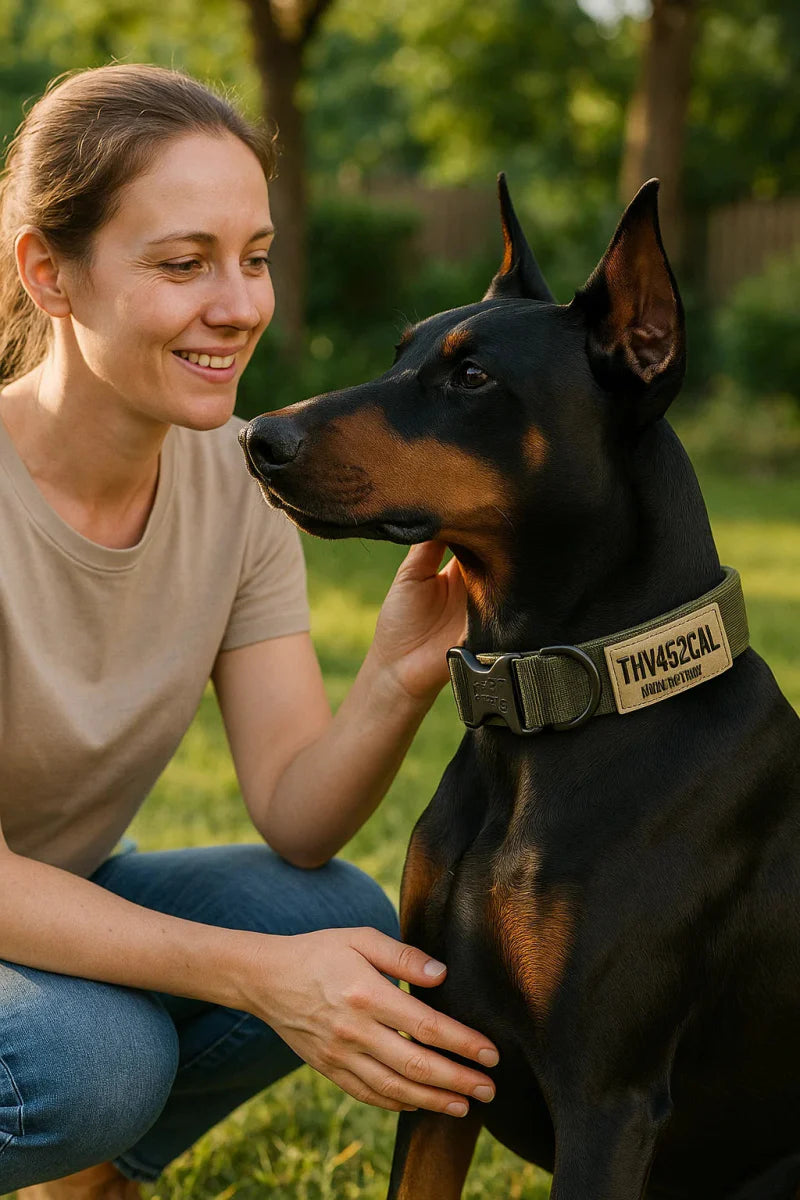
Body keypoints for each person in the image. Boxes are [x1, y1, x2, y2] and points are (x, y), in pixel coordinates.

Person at [0, 63, 499, 1200]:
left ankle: (77, 1182)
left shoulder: (234, 483)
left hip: (50, 895)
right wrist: (258, 977)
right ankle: (75, 1142)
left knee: (327, 916)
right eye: (183, 264)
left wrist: (395, 671)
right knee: (93, 1060)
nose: (238, 304)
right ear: (50, 272)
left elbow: (294, 814)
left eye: (255, 255)